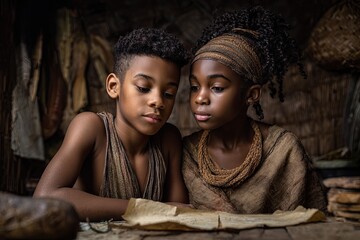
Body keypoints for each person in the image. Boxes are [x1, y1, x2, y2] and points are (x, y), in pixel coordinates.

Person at [34, 28, 190, 221]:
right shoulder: (92, 129)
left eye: (169, 94)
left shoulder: (168, 139)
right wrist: (144, 208)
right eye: (143, 88)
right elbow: (45, 197)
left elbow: (180, 212)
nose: (158, 101)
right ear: (113, 86)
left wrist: (160, 210)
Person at [182, 6, 327, 214]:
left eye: (217, 88)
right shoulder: (189, 152)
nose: (200, 98)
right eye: (195, 87)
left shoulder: (283, 150)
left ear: (251, 95)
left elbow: (312, 220)